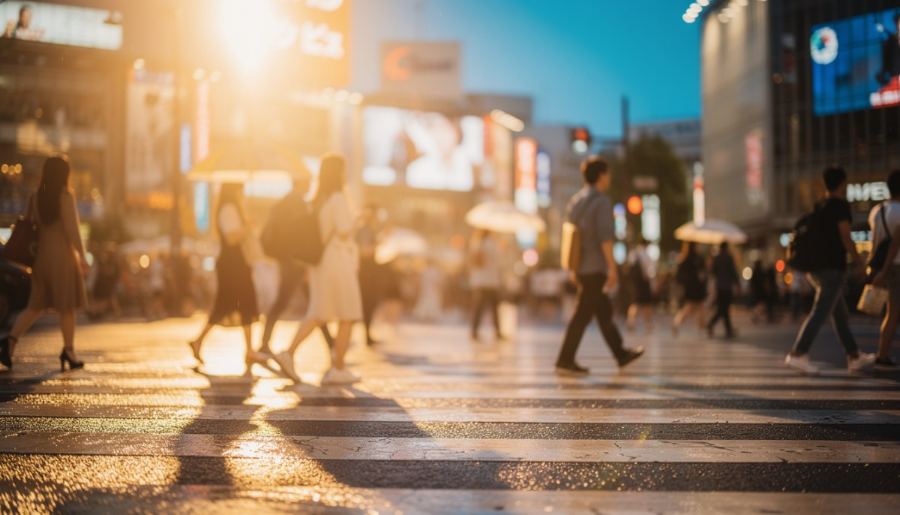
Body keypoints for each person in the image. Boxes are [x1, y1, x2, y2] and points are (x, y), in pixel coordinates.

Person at [274, 154, 363, 385]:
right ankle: (339, 368)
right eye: (343, 170)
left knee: (320, 312)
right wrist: (359, 219)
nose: (346, 174)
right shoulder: (338, 198)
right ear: (338, 173)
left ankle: (288, 353)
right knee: (348, 313)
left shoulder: (319, 200)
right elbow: (344, 230)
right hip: (338, 260)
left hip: (322, 263)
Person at [555, 156, 643, 375]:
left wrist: (573, 268)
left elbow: (571, 238)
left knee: (603, 311)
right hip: (595, 267)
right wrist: (612, 267)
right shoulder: (602, 202)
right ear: (602, 175)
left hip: (581, 267)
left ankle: (620, 353)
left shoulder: (576, 201)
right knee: (583, 314)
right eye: (608, 173)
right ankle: (565, 359)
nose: (610, 177)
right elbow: (605, 238)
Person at [785, 166, 875, 375]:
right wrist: (860, 262)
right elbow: (845, 236)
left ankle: (854, 356)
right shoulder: (839, 206)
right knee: (820, 312)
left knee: (839, 313)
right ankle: (798, 353)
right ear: (842, 183)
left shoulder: (819, 206)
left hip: (814, 268)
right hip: (832, 268)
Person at [0, 157, 87, 371]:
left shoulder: (35, 197)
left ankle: (9, 342)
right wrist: (82, 256)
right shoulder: (66, 197)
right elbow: (72, 230)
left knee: (35, 305)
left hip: (40, 259)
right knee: (66, 307)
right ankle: (69, 351)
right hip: (63, 259)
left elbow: (30, 225)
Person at [187, 183, 264, 373]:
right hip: (232, 265)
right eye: (240, 188)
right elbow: (231, 238)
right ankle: (200, 341)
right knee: (230, 302)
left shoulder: (230, 208)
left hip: (235, 264)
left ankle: (247, 349)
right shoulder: (228, 209)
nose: (242, 192)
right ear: (233, 189)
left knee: (240, 302)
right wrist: (247, 226)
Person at [258, 176, 334, 356]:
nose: (310, 186)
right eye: (308, 182)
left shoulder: (283, 203)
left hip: (288, 259)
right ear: (300, 183)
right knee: (312, 303)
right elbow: (301, 236)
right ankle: (331, 344)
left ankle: (331, 343)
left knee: (307, 302)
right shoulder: (298, 205)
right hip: (297, 261)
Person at [870, 169, 900, 369]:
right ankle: (882, 355)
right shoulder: (899, 211)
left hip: (885, 267)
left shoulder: (876, 211)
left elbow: (875, 244)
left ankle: (882, 354)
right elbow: (895, 245)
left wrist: (875, 270)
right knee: (893, 313)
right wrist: (885, 269)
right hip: (896, 265)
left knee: (891, 312)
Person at [469, 230, 506, 341]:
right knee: (494, 308)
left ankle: (474, 331)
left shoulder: (476, 243)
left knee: (479, 308)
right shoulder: (491, 243)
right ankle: (497, 331)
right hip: (490, 281)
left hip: (479, 281)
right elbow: (499, 261)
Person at [356, 205, 382, 345]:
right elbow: (365, 251)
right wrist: (378, 243)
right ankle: (365, 335)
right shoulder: (366, 230)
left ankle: (366, 334)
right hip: (366, 271)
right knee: (366, 302)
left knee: (367, 303)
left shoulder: (368, 230)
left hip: (367, 271)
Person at [671, 242, 708, 336]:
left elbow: (678, 276)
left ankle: (677, 322)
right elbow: (703, 272)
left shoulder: (683, 258)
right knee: (696, 306)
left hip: (689, 287)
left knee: (693, 306)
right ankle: (701, 326)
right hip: (696, 287)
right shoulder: (697, 258)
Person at [707, 242, 741, 338]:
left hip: (720, 287)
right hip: (727, 287)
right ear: (726, 248)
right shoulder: (729, 258)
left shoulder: (716, 258)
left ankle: (728, 329)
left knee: (723, 308)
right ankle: (712, 324)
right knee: (724, 308)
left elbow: (713, 272)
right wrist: (738, 284)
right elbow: (733, 272)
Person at [626, 239, 655, 333]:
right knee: (647, 304)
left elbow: (628, 268)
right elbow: (650, 271)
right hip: (644, 282)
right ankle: (648, 323)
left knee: (635, 303)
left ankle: (631, 322)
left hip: (634, 283)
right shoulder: (646, 255)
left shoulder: (633, 253)